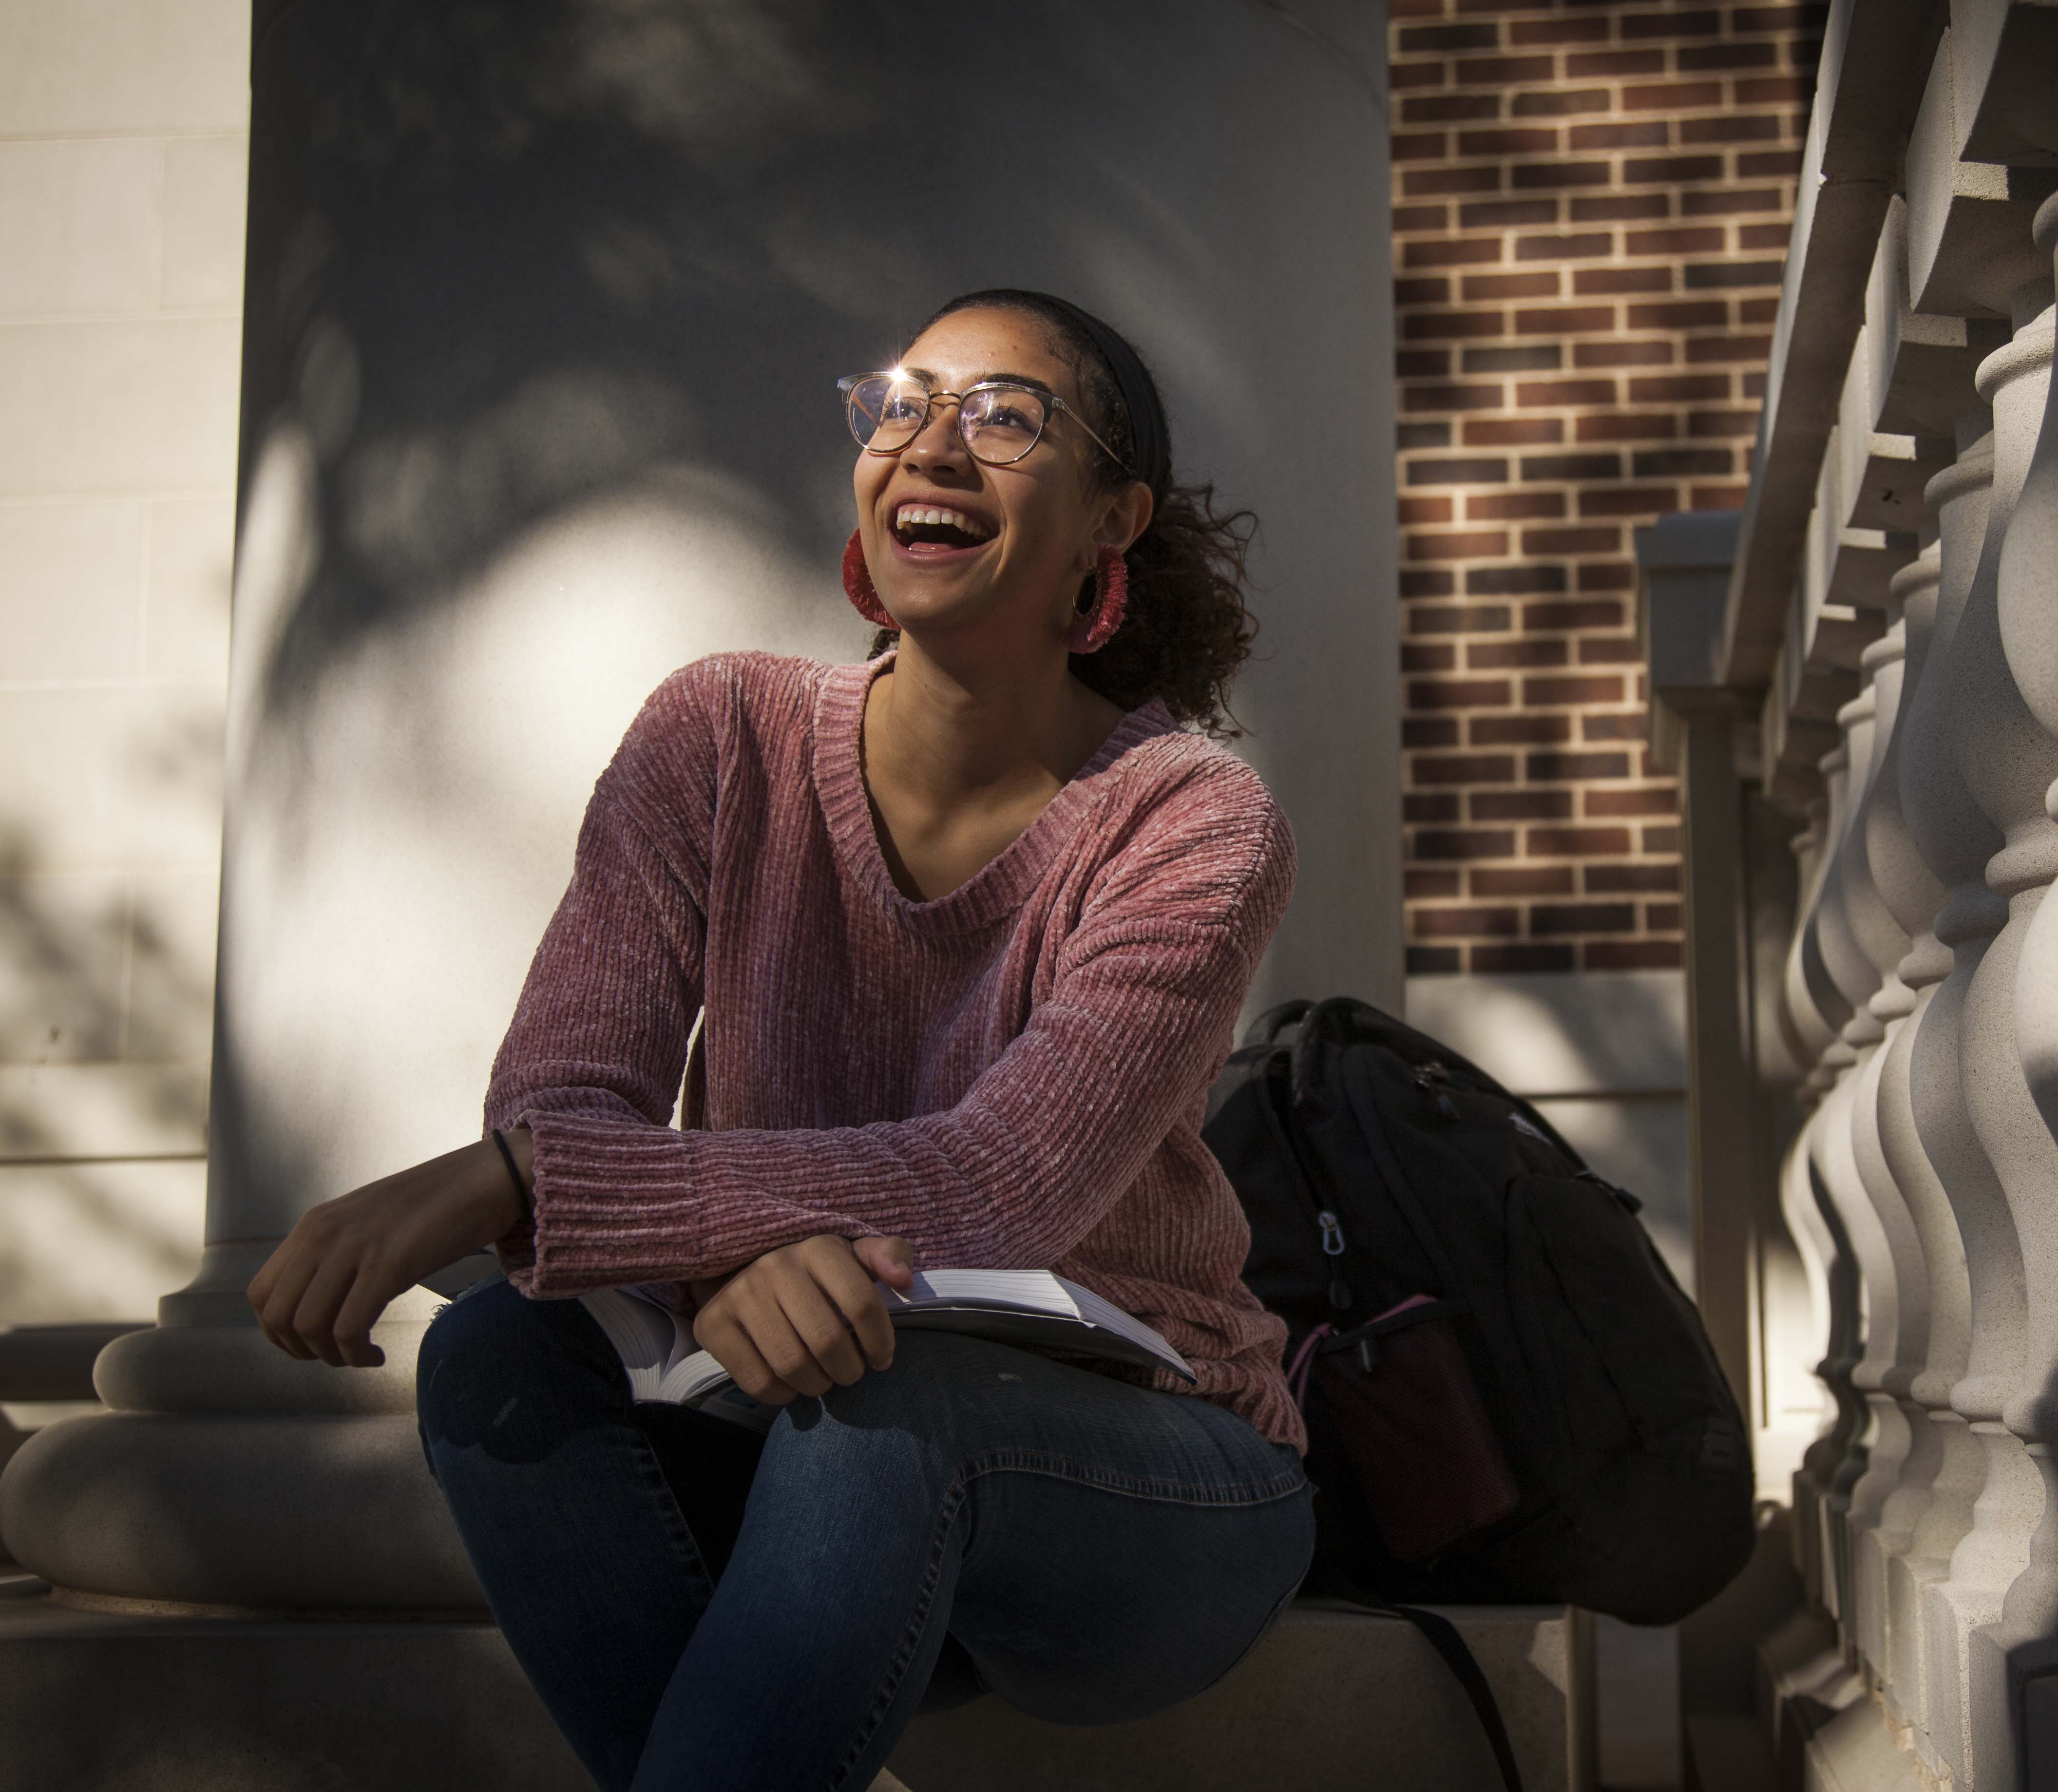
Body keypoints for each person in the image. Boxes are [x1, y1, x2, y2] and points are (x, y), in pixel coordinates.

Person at [243, 290, 1314, 1792]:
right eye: (900, 403)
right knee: (495, 1353)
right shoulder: (719, 736)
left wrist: (514, 1183)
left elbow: (999, 1188)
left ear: (1107, 523)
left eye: (1006, 416)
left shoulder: (1190, 819)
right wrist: (733, 1246)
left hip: (1148, 1476)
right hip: (788, 1447)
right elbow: (569, 1090)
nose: (930, 443)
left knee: (882, 1409)